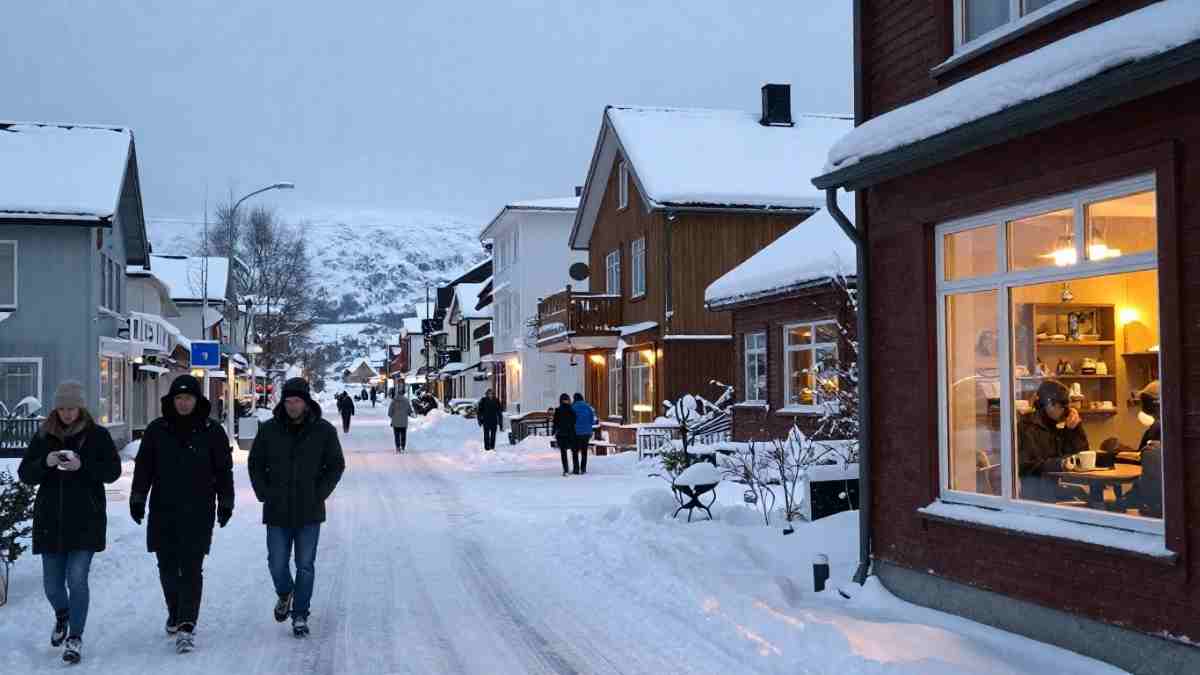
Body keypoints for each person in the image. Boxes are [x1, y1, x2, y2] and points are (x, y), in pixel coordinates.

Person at [17, 381, 121, 665]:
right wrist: (46, 462)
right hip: (50, 521)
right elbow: (25, 473)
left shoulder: (97, 435)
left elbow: (112, 471)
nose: (66, 413)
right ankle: (63, 614)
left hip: (86, 520)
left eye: (72, 408)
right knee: (52, 586)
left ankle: (75, 635)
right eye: (62, 408)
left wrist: (83, 466)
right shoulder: (44, 435)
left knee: (77, 579)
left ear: (81, 407)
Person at [130, 374, 235, 654]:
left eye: (188, 398)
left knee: (190, 567)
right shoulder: (157, 430)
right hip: (163, 509)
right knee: (167, 567)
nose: (184, 403)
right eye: (179, 398)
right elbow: (144, 468)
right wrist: (137, 498)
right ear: (172, 400)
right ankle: (175, 611)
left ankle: (187, 624)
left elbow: (223, 470)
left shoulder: (212, 431)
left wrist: (226, 501)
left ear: (197, 400)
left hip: (199, 510)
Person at [248, 377, 346, 638]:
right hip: (277, 509)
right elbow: (255, 463)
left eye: (297, 401)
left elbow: (336, 465)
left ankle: (300, 613)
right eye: (288, 401)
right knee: (276, 563)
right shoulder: (269, 429)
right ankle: (285, 592)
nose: (292, 406)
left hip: (309, 511)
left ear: (306, 403)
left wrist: (319, 493)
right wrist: (264, 491)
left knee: (305, 565)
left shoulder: (323, 430)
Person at [1016, 380, 1090, 503]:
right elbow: (1026, 466)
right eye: (1063, 407)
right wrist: (1060, 464)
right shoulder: (1026, 427)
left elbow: (1081, 455)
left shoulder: (1054, 425)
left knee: (1083, 495)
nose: (1066, 411)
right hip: (1036, 494)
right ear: (1049, 404)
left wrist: (1075, 428)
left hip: (1053, 488)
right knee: (1083, 498)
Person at [571, 393, 596, 475]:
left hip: (576, 432)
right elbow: (592, 421)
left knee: (575, 451)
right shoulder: (588, 407)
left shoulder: (572, 407)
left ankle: (576, 469)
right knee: (584, 451)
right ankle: (583, 469)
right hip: (586, 432)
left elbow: (570, 420)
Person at [551, 394, 576, 477]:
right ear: (568, 400)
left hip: (561, 434)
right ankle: (575, 468)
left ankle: (566, 470)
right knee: (573, 451)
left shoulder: (558, 410)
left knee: (563, 452)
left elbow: (555, 422)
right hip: (570, 433)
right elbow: (574, 421)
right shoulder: (572, 410)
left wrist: (553, 431)